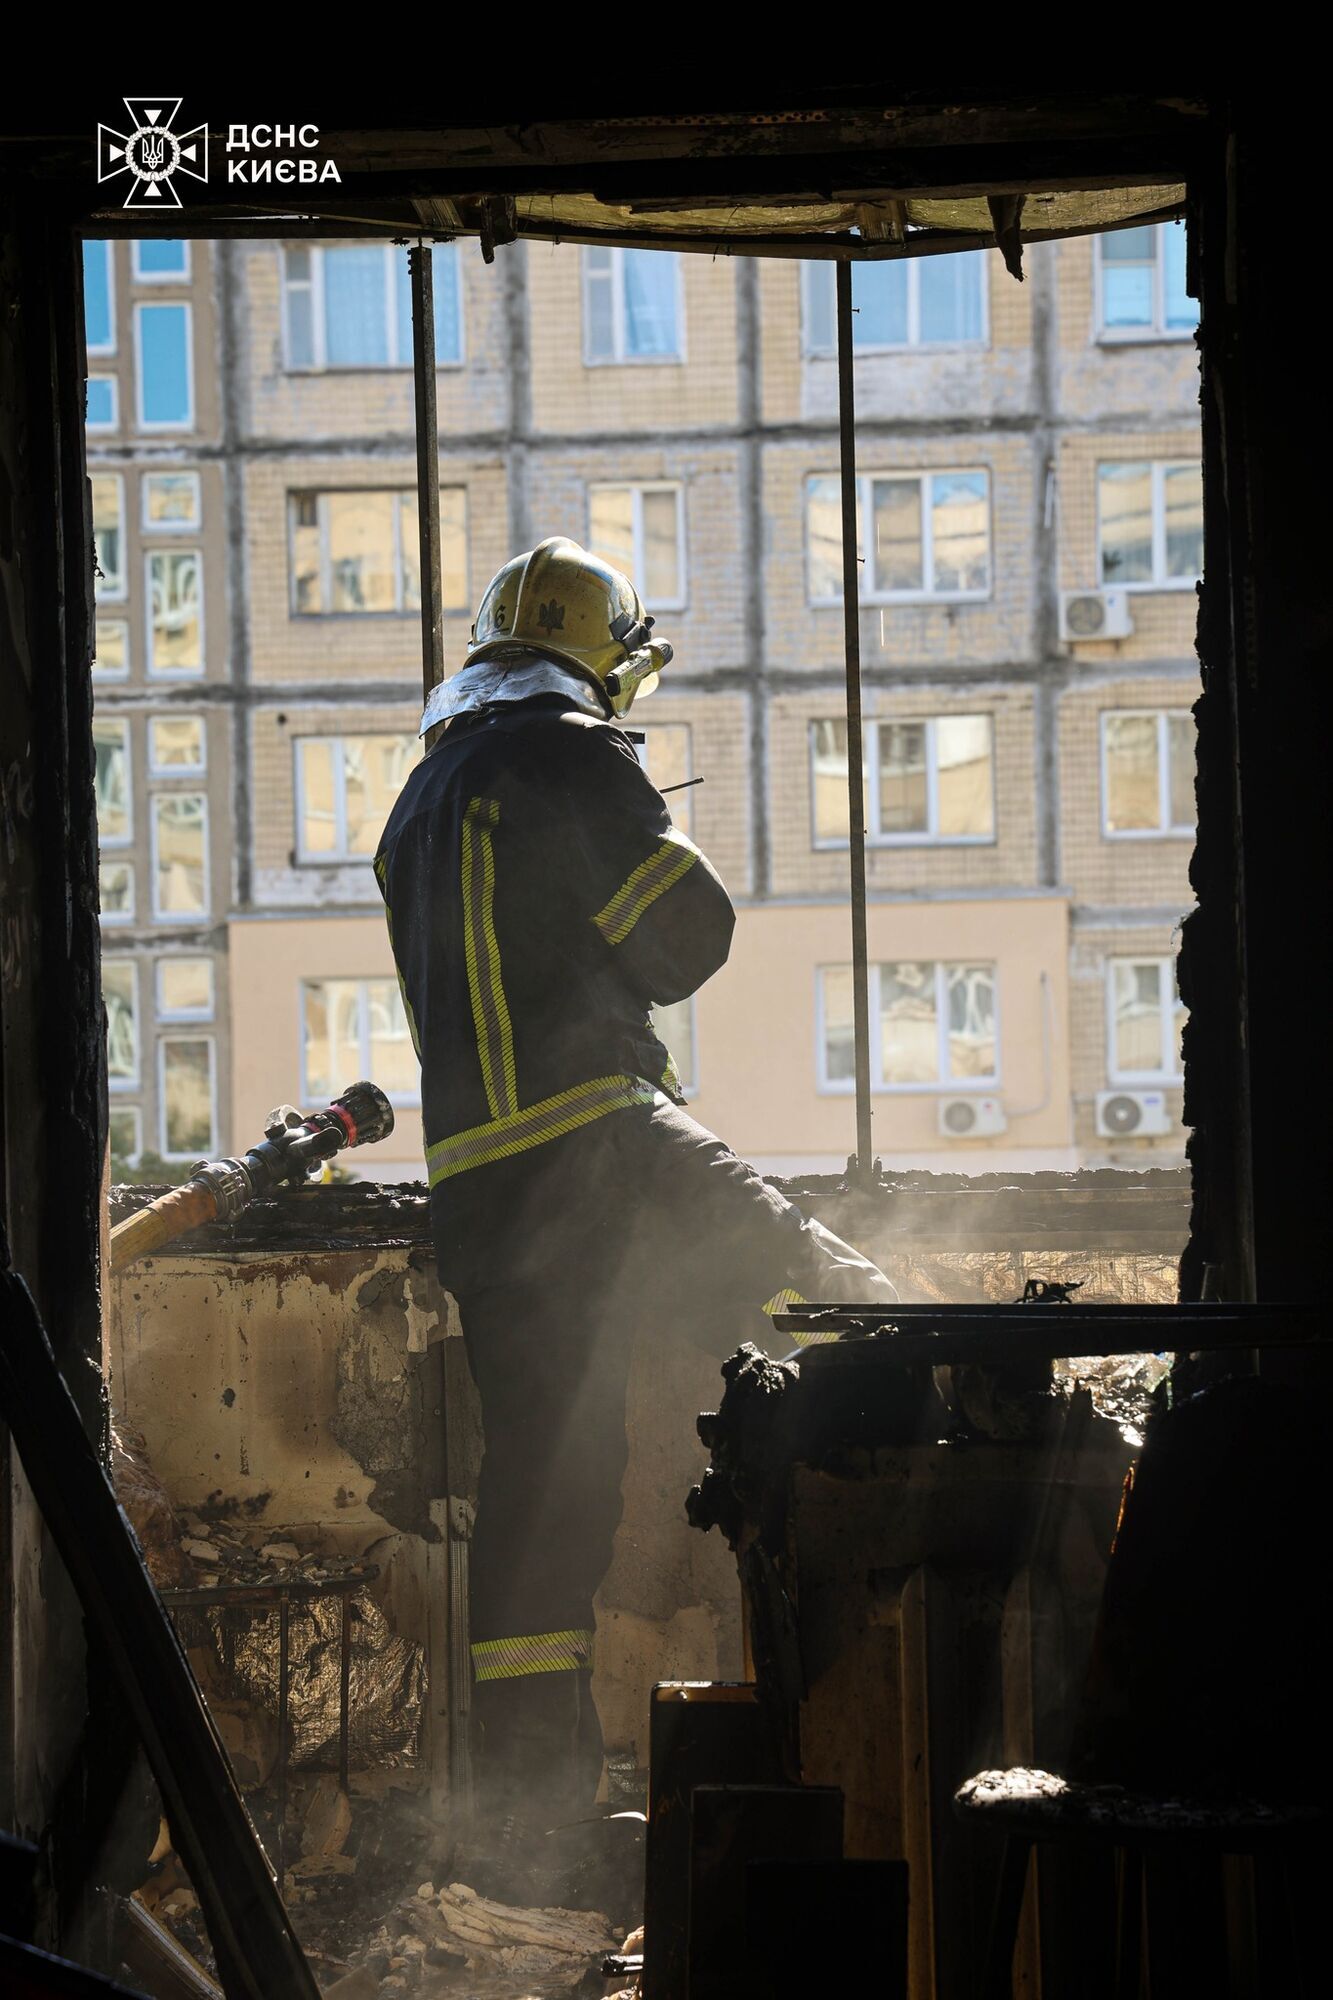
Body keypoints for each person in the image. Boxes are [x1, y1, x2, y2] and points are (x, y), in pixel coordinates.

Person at [375, 536, 906, 1896]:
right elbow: (689, 939)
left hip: (484, 1193)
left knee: (545, 1503)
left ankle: (527, 1835)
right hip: (598, 1141)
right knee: (838, 1298)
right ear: (605, 655)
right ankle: (923, 1617)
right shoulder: (571, 753)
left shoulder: (422, 795)